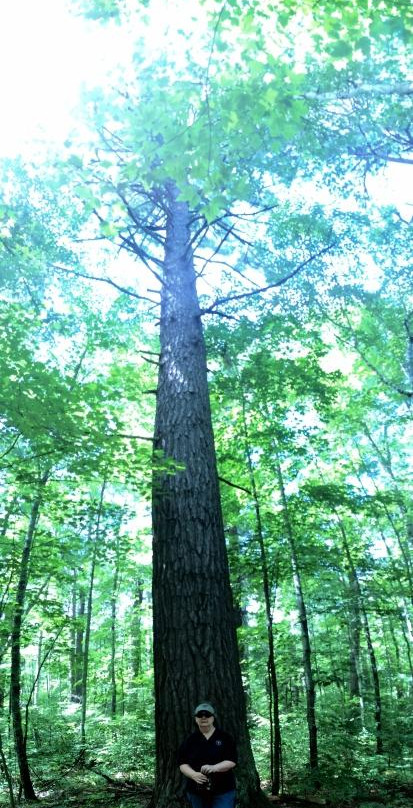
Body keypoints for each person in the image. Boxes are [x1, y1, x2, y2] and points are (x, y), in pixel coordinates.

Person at [178, 701, 237, 808]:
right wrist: (193, 775)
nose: (203, 717)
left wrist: (214, 767)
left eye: (207, 715)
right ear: (196, 719)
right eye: (200, 715)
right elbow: (182, 763)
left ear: (213, 718)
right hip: (196, 791)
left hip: (223, 790)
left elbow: (231, 761)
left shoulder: (225, 737)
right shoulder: (190, 740)